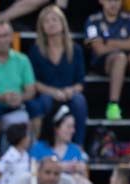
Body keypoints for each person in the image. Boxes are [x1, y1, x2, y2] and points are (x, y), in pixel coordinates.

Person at [85, 0, 130, 121]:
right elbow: (99, 49)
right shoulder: (93, 20)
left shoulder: (129, 19)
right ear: (101, 1)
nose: (113, 4)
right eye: (110, 0)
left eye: (117, 0)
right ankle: (113, 105)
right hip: (104, 63)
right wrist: (124, 44)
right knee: (120, 57)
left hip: (129, 62)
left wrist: (109, 42)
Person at [0, 20, 37, 151]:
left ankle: (34, 150)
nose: (1, 40)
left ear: (11, 37)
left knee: (37, 106)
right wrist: (0, 97)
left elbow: (31, 90)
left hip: (18, 103)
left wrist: (20, 97)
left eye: (4, 35)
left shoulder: (22, 59)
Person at [27, 4, 85, 144]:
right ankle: (46, 143)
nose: (51, 24)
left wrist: (70, 90)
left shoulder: (75, 49)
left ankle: (78, 145)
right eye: (46, 21)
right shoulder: (36, 50)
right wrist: (53, 92)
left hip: (68, 94)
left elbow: (80, 82)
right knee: (44, 101)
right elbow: (34, 82)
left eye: (54, 20)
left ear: (62, 23)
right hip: (47, 93)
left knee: (79, 100)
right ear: (42, 27)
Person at [29, 104, 99, 184]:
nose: (73, 131)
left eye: (73, 127)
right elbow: (32, 171)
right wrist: (62, 167)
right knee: (76, 179)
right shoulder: (38, 148)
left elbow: (85, 179)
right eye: (69, 127)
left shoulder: (75, 150)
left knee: (79, 181)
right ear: (56, 128)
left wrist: (82, 169)